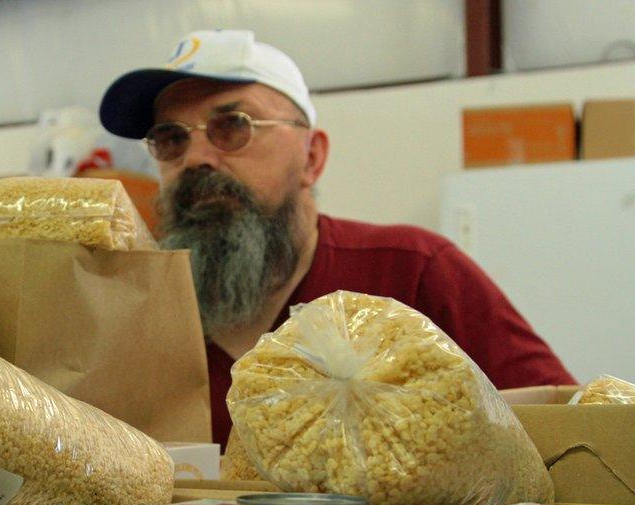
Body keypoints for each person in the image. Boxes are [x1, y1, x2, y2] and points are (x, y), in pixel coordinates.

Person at [98, 30, 576, 449]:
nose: (196, 157)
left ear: (312, 158)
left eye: (232, 126)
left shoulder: (413, 272)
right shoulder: (137, 316)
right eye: (171, 138)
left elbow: (572, 427)